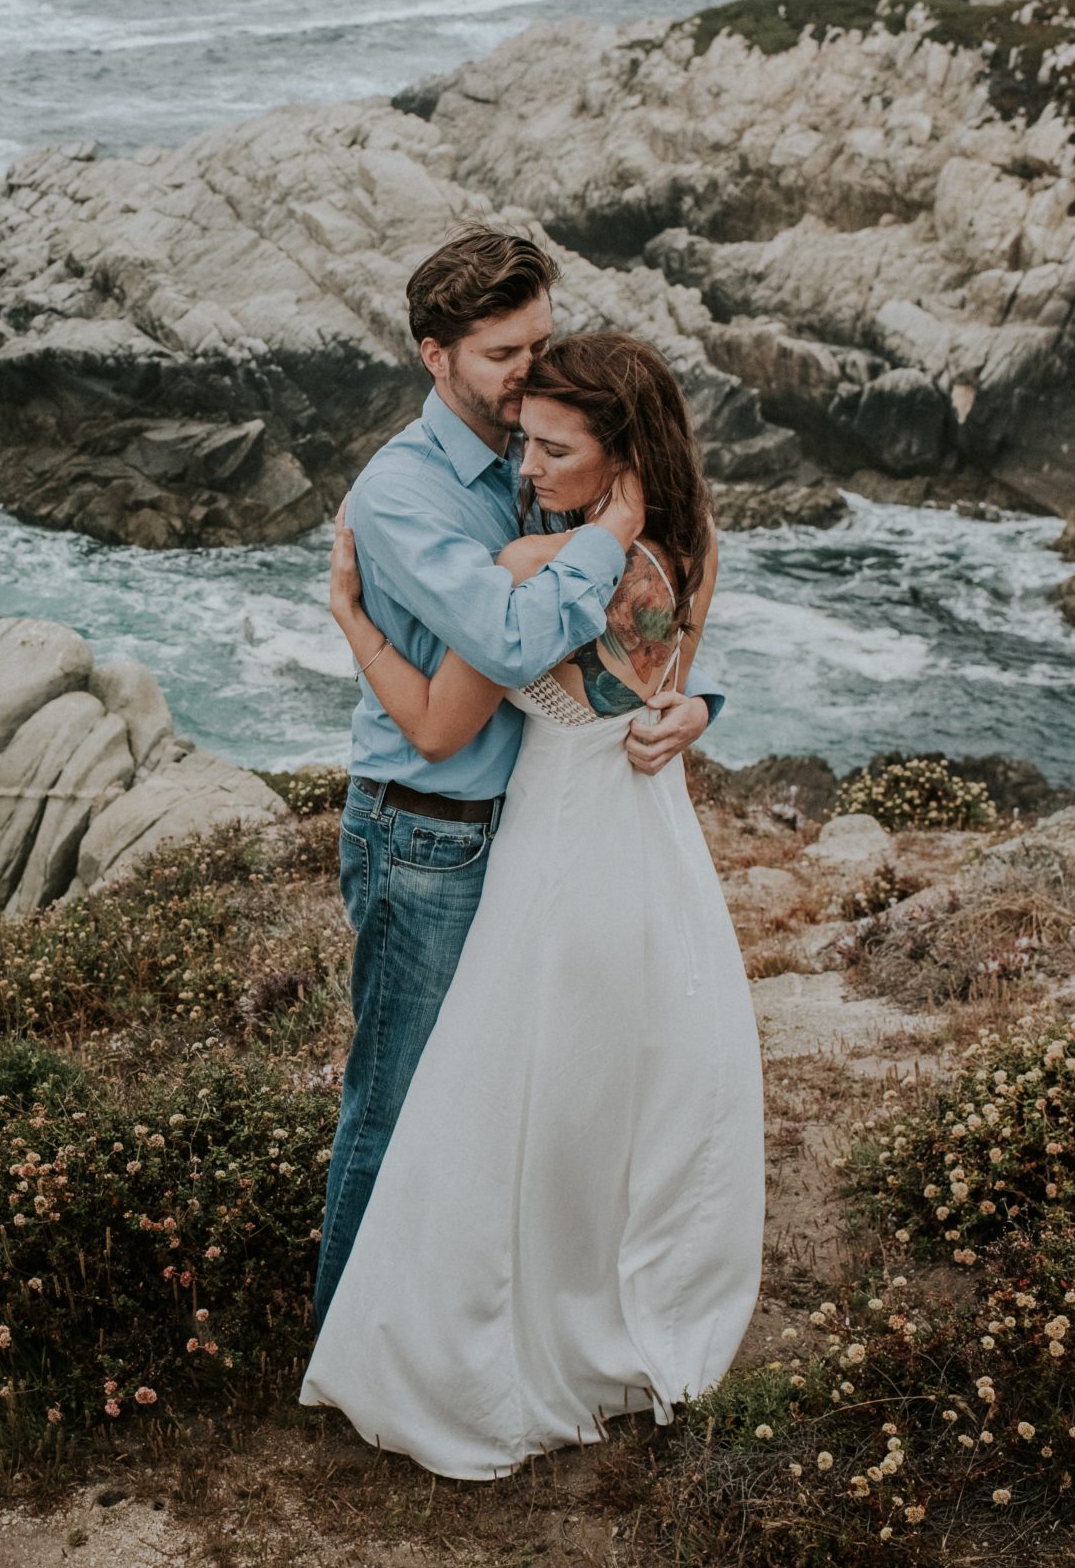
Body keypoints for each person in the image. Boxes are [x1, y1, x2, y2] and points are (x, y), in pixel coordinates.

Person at [298, 329, 764, 1478]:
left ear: (618, 458)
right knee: (619, 1096)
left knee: (505, 1101)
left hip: (554, 848)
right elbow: (665, 683)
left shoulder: (525, 565)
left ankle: (488, 1337)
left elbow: (438, 724)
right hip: (652, 850)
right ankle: (601, 1310)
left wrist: (348, 613)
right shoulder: (694, 551)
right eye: (523, 437)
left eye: (554, 448)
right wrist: (693, 707)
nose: (524, 461)